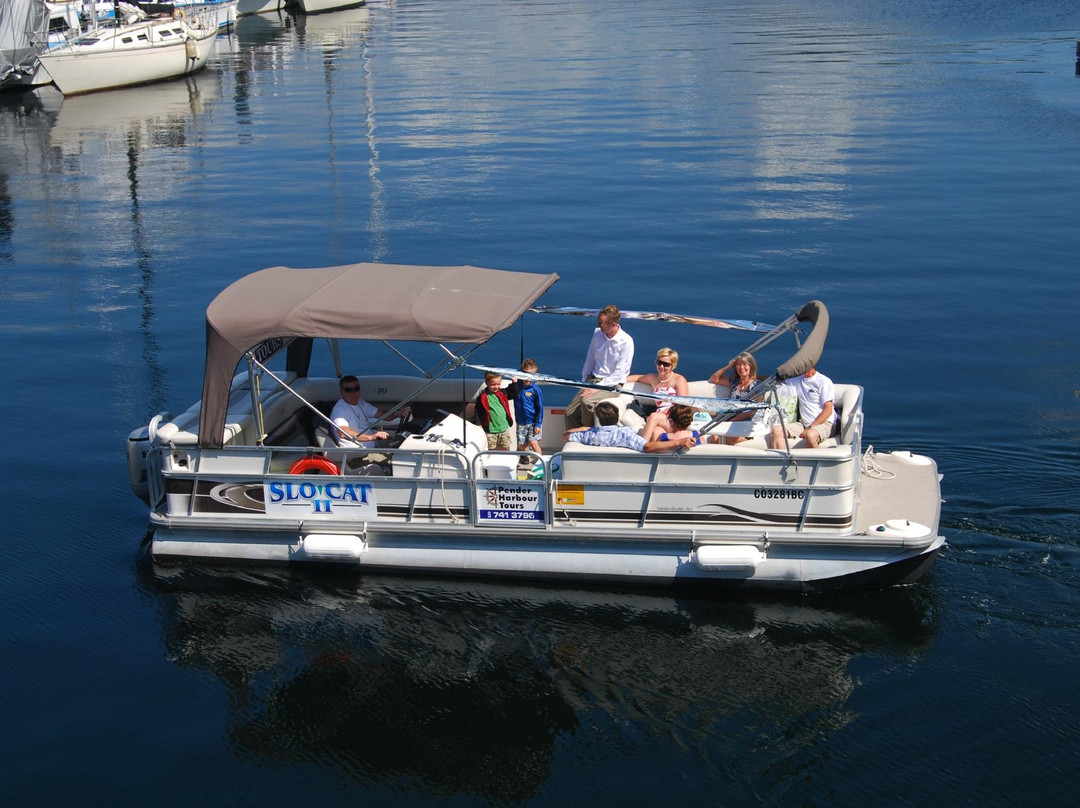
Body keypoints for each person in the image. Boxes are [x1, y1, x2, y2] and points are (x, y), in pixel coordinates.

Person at [563, 304, 634, 429]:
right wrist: (584, 382)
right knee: (570, 412)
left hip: (612, 384)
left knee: (587, 402)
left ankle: (587, 431)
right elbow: (590, 358)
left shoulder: (626, 342)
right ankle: (573, 438)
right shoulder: (597, 334)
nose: (599, 326)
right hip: (593, 379)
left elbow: (619, 373)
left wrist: (598, 387)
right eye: (599, 322)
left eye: (602, 324)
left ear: (613, 324)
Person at [563, 401, 696, 453]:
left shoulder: (589, 435)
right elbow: (647, 446)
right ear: (616, 417)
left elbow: (566, 436)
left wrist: (585, 428)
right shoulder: (625, 434)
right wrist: (678, 442)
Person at [330, 375, 410, 448]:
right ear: (341, 392)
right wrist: (371, 437)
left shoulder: (361, 403)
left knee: (404, 443)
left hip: (372, 444)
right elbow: (343, 433)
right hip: (358, 450)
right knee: (402, 448)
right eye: (348, 390)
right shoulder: (339, 409)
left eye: (356, 389)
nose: (353, 393)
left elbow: (382, 415)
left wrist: (397, 413)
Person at [629, 347, 689, 441]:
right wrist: (618, 380)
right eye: (659, 362)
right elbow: (638, 378)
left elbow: (683, 405)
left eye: (666, 364)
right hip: (661, 418)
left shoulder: (679, 380)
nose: (661, 366)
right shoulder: (653, 378)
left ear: (672, 365)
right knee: (656, 432)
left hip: (674, 418)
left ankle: (640, 445)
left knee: (653, 416)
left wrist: (669, 413)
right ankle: (651, 453)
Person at [769, 365, 836, 449]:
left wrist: (811, 427)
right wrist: (753, 377)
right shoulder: (796, 380)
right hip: (803, 424)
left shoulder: (824, 381)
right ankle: (780, 461)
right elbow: (776, 381)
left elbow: (828, 410)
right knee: (777, 430)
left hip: (825, 423)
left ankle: (815, 461)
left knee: (810, 435)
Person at [504, 358, 544, 461]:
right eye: (525, 375)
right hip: (521, 422)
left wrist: (538, 424)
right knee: (522, 444)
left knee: (533, 443)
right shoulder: (518, 386)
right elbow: (509, 393)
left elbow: (540, 407)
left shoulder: (535, 390)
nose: (527, 378)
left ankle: (540, 463)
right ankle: (524, 456)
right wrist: (514, 383)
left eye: (531, 376)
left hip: (533, 422)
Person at [474, 371, 514, 450]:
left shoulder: (503, 393)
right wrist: (478, 423)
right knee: (490, 449)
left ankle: (502, 462)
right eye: (493, 384)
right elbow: (478, 411)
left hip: (504, 428)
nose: (496, 387)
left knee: (504, 447)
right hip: (490, 429)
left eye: (498, 384)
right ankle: (490, 461)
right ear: (486, 383)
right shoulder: (482, 397)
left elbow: (514, 393)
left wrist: (515, 383)